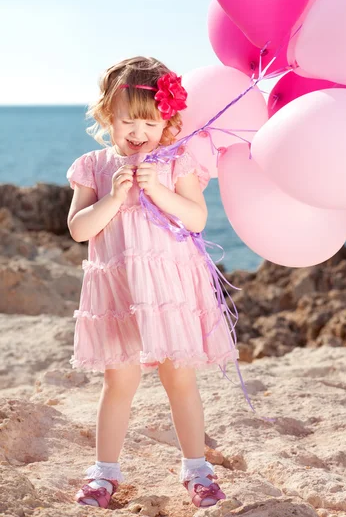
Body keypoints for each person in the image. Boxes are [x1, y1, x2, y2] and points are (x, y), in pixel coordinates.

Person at [66, 56, 239, 509]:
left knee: (178, 377)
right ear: (108, 116)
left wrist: (157, 190)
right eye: (128, 121)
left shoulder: (176, 160)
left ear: (168, 120)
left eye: (150, 121)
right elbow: (80, 229)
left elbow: (197, 218)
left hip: (168, 292)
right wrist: (116, 196)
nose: (139, 133)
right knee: (118, 380)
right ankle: (104, 472)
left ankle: (196, 467)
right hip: (119, 292)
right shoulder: (94, 166)